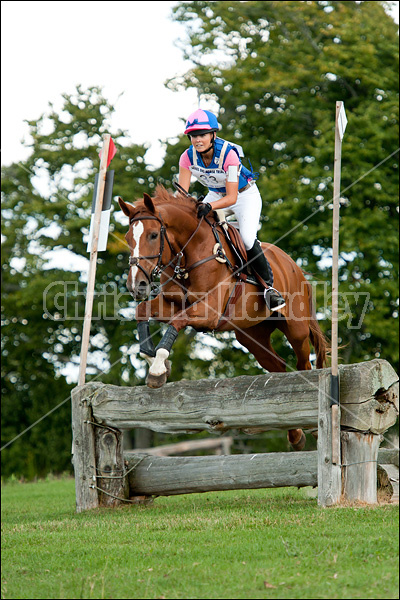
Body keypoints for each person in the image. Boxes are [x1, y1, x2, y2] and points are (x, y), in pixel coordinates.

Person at [178, 108, 286, 312]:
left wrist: (208, 206)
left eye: (202, 135)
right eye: (193, 136)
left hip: (244, 196)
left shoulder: (229, 154)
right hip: (216, 196)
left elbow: (232, 197)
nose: (197, 140)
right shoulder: (186, 157)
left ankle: (269, 288)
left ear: (213, 135)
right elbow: (182, 195)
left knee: (246, 238)